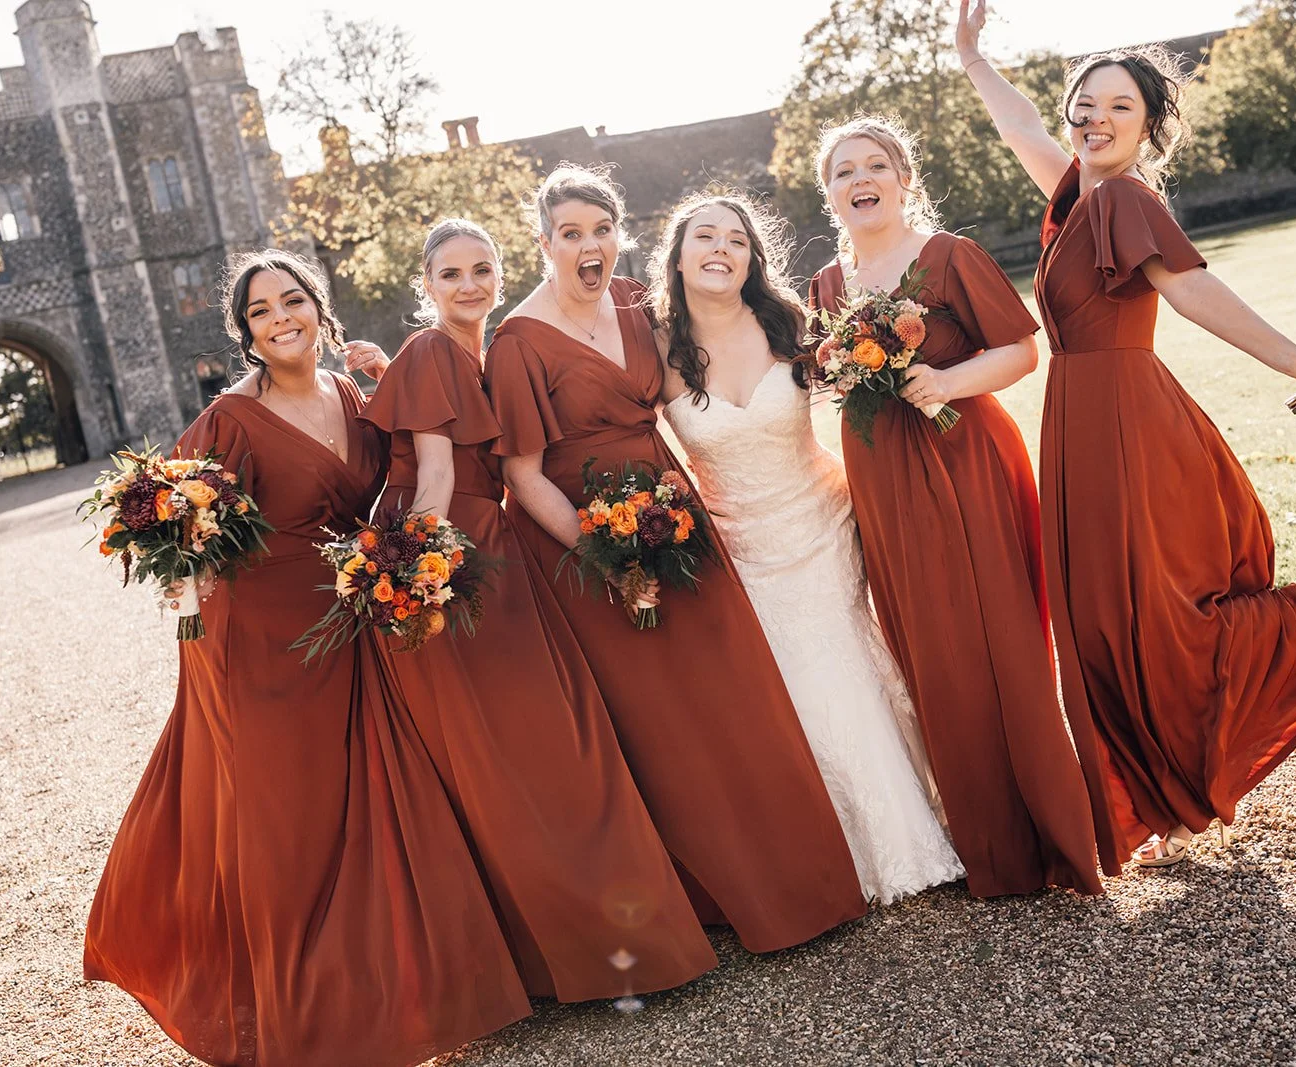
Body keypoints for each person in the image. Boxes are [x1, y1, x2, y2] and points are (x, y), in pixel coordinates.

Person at [84, 249, 531, 1066]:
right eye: (260, 311)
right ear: (245, 331)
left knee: (368, 803)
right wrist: (190, 606)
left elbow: (410, 461)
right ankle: (297, 1011)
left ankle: (392, 992)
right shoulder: (227, 416)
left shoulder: (353, 394)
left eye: (293, 301)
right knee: (286, 820)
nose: (280, 318)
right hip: (259, 641)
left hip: (349, 621)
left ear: (319, 310)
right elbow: (181, 522)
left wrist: (387, 370)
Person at [955, 0, 1296, 868]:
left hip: (1128, 424)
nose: (1095, 120)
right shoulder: (1077, 193)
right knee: (1101, 615)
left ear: (1148, 129)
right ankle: (1167, 782)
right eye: (1086, 106)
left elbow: (1189, 292)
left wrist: (1293, 358)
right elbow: (1022, 123)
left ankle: (1271, 681)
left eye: (1120, 109)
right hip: (1079, 421)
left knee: (1145, 612)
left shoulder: (1127, 200)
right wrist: (970, 56)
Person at [486, 165, 867, 950]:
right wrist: (606, 555)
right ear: (544, 242)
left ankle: (806, 871)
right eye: (571, 234)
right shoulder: (517, 341)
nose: (590, 247)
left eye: (602, 230)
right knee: (667, 726)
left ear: (620, 234)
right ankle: (718, 896)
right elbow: (521, 475)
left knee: (738, 694)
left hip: (675, 520)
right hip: (591, 541)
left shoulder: (635, 304)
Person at [358, 218, 716, 1000]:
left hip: (499, 550)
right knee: (529, 752)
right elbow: (435, 481)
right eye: (450, 274)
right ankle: (591, 953)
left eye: (481, 269)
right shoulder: (429, 352)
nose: (469, 286)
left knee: (554, 744)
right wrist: (422, 576)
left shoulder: (478, 352)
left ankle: (605, 944)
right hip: (458, 561)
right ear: (425, 284)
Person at [808, 116, 1103, 897]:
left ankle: (1049, 831)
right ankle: (985, 839)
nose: (861, 178)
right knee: (927, 640)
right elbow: (826, 373)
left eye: (876, 164)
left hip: (962, 451)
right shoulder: (829, 287)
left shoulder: (949, 256)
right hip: (881, 472)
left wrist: (945, 382)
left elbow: (1020, 349)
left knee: (998, 629)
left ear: (905, 178)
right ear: (830, 193)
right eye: (844, 170)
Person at [652, 191, 965, 905]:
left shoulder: (788, 322)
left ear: (752, 258)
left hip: (824, 525)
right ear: (677, 255)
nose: (721, 249)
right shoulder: (656, 349)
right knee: (796, 694)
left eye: (736, 239)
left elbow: (862, 384)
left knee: (852, 671)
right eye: (705, 237)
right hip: (743, 552)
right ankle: (834, 856)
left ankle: (919, 831)